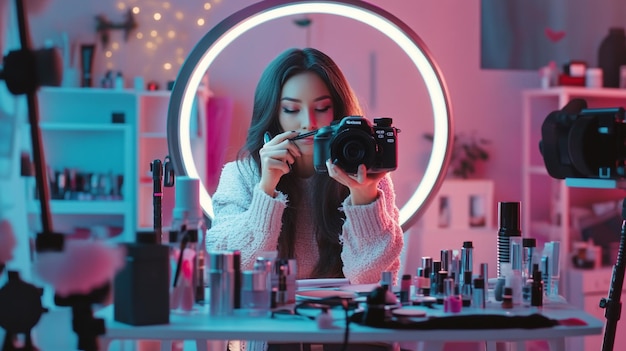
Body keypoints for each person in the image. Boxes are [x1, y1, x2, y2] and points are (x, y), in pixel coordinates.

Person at [206, 47, 404, 350]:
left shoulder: (368, 174)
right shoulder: (242, 174)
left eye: (321, 108)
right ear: (273, 112)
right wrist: (266, 189)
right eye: (291, 109)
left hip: (352, 331)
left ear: (338, 110)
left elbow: (370, 277)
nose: (308, 122)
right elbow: (235, 268)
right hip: (274, 333)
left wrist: (364, 198)